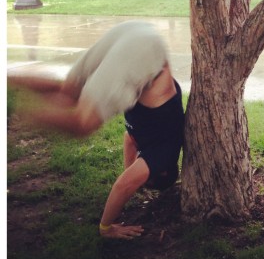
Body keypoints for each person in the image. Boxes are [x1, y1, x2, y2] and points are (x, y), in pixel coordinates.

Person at [7, 20, 184, 239]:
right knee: (82, 123)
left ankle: (7, 79)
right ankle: (20, 115)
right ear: (162, 172)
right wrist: (106, 227)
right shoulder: (164, 156)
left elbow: (128, 140)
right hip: (142, 56)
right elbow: (123, 186)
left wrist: (129, 170)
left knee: (67, 93)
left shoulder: (151, 136)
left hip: (136, 33)